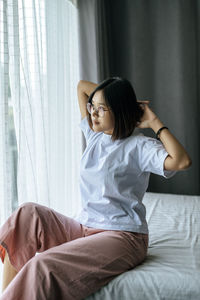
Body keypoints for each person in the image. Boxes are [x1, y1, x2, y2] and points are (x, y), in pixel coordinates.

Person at [0, 77, 192, 300]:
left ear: (118, 112)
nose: (93, 113)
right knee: (27, 215)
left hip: (122, 236)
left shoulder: (139, 146)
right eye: (93, 106)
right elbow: (82, 87)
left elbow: (182, 161)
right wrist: (123, 102)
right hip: (85, 228)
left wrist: (154, 120)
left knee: (42, 265)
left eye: (102, 109)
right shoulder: (95, 136)